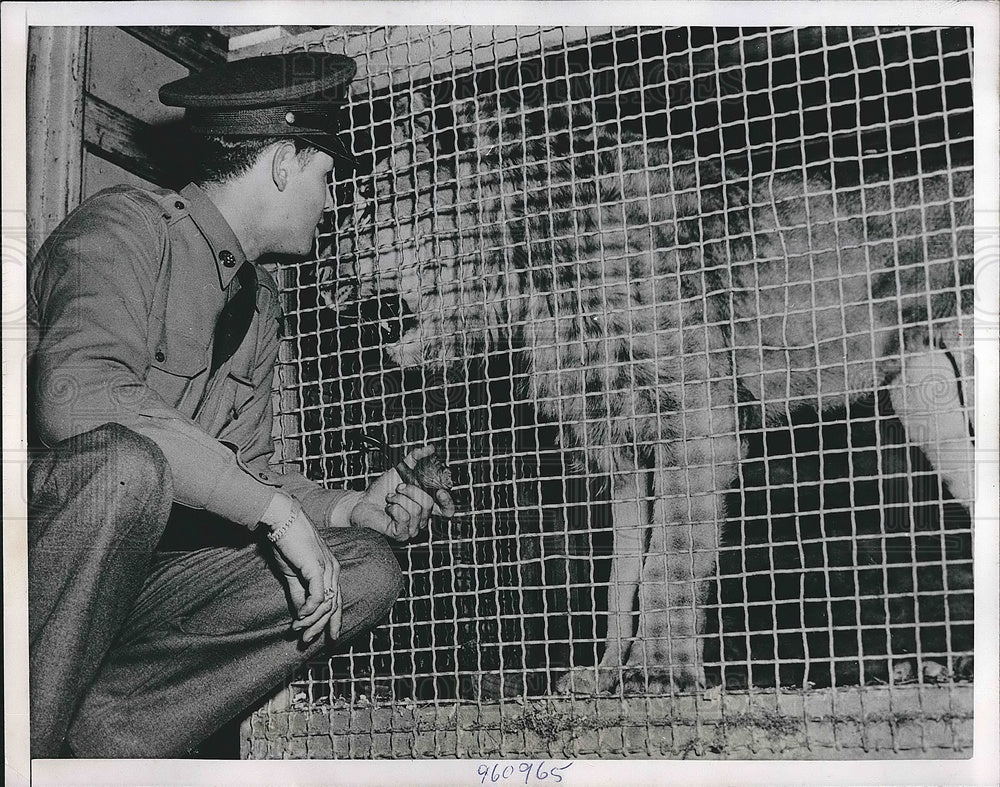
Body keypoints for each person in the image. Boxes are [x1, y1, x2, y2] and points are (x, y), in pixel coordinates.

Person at [26, 51, 455, 759]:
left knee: (366, 568)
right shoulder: (121, 232)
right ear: (283, 162)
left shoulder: (257, 309)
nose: (332, 201)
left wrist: (344, 509)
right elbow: (77, 398)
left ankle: (94, 740)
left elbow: (244, 475)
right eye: (327, 177)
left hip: (132, 593)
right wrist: (276, 513)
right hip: (42, 570)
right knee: (127, 467)